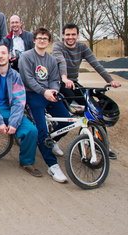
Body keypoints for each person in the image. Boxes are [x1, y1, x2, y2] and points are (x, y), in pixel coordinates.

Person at [52, 23, 121, 159]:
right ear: (63, 35)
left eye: (73, 34)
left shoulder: (82, 47)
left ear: (77, 35)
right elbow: (61, 62)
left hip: (73, 82)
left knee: (93, 110)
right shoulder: (58, 46)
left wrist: (110, 80)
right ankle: (54, 140)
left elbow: (95, 63)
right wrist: (64, 78)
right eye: (68, 34)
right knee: (71, 111)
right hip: (59, 82)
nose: (70, 37)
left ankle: (102, 144)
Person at [0, 44, 41, 180]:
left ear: (9, 56)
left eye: (3, 53)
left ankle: (26, 162)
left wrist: (14, 122)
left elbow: (19, 101)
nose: (0, 56)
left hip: (10, 111)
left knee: (32, 130)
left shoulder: (16, 76)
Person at [18, 28, 71, 183]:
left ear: (48, 42)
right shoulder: (26, 57)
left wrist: (53, 90)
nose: (42, 40)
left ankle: (51, 141)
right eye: (39, 38)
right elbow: (28, 79)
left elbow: (55, 78)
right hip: (33, 95)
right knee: (41, 128)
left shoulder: (51, 60)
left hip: (49, 93)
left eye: (45, 38)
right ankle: (52, 165)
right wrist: (43, 91)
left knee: (66, 120)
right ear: (34, 40)